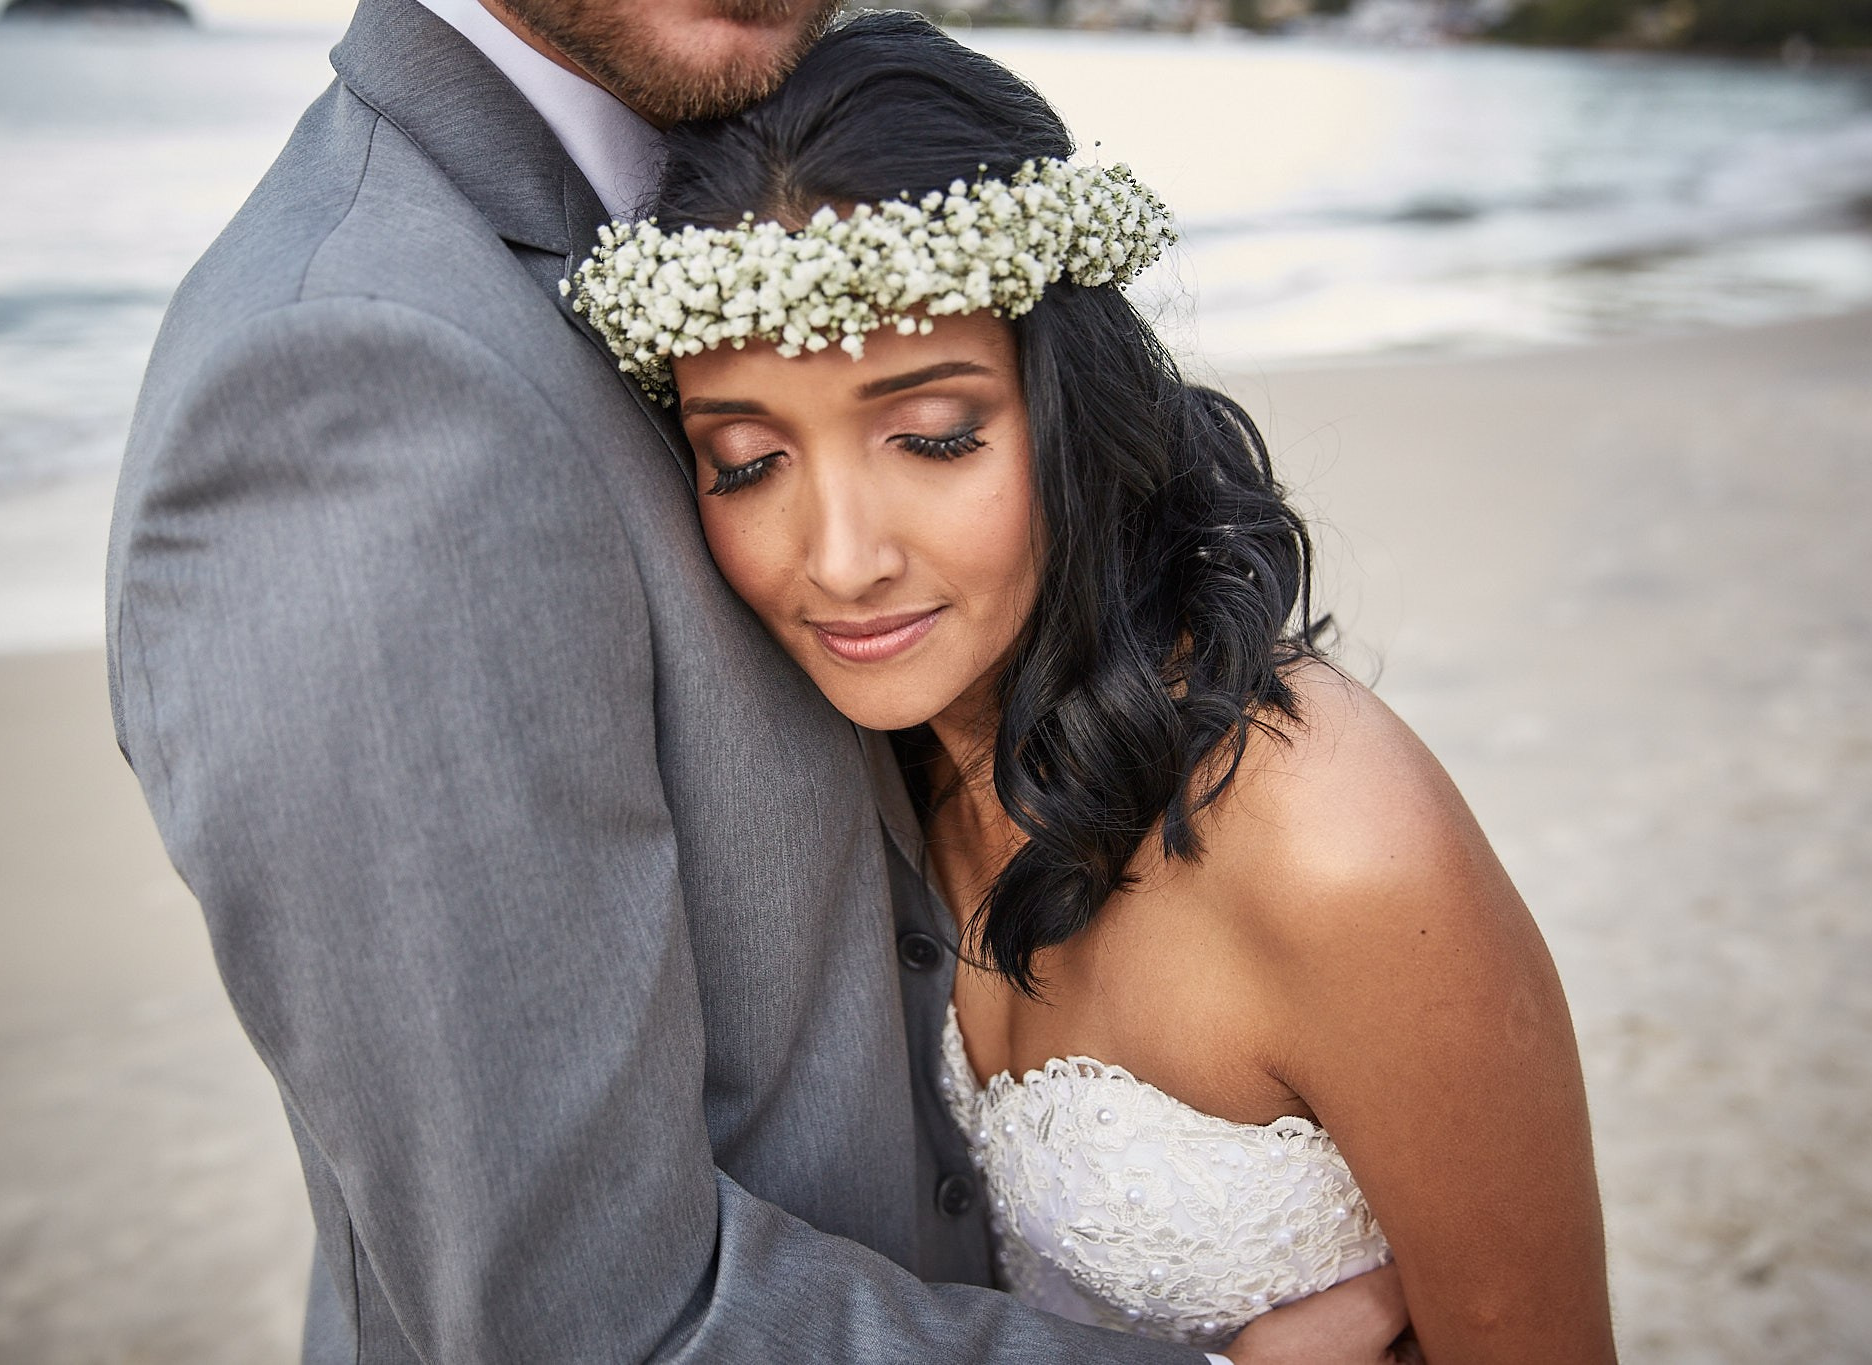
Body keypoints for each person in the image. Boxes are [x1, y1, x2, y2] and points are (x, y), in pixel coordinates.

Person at [106, 0, 1405, 1359]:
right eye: (747, 460)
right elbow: (589, 1322)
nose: (842, 558)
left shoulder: (727, 176)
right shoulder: (353, 381)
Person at [571, 13, 1619, 1362]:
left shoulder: (1340, 845)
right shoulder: (848, 770)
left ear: (1067, 405)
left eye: (933, 435)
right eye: (747, 460)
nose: (842, 561)